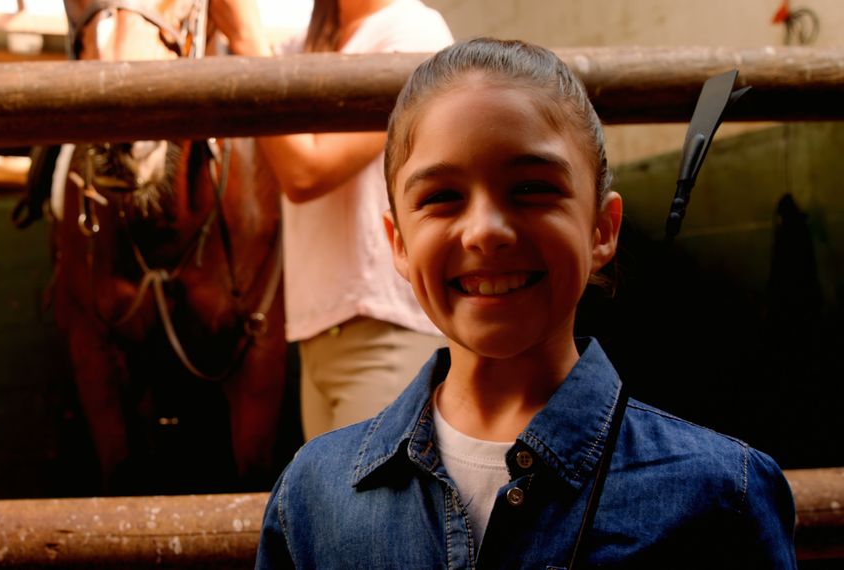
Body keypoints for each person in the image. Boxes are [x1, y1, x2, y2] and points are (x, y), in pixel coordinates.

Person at [254, 37, 797, 568]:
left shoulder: (722, 496)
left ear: (601, 230)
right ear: (398, 244)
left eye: (533, 189)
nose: (486, 232)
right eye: (442, 197)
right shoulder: (312, 496)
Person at [209, 0, 454, 441]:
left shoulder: (414, 30)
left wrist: (246, 38)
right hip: (318, 336)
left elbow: (307, 172)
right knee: (335, 509)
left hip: (386, 330)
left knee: (371, 507)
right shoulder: (306, 42)